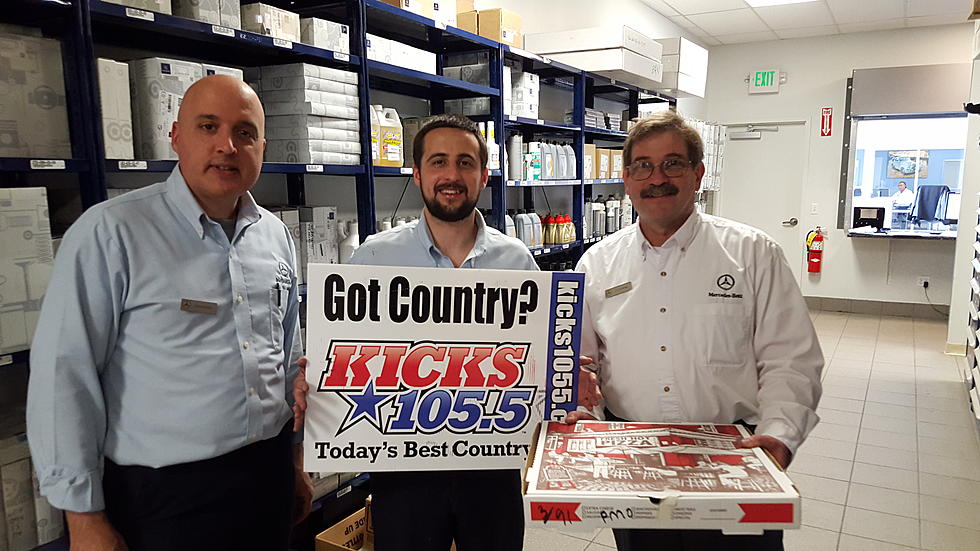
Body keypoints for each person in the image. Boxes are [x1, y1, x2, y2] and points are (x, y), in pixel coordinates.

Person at [26, 75, 312, 551]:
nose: (226, 146)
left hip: (266, 480)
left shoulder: (275, 236)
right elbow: (64, 375)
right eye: (208, 127)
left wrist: (294, 465)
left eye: (244, 133)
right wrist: (82, 519)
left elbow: (288, 356)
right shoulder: (111, 233)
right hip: (164, 498)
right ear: (176, 136)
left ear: (262, 146)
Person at [567, 111, 823, 551]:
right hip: (634, 459)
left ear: (698, 172)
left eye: (673, 163)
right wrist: (585, 419)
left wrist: (781, 436)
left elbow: (791, 360)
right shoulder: (597, 263)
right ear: (627, 179)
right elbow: (583, 363)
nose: (657, 178)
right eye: (643, 166)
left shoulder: (753, 253)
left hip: (734, 458)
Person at [295, 114, 538, 551]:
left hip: (491, 465)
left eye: (465, 163)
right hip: (405, 467)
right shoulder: (374, 258)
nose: (452, 175)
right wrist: (310, 380)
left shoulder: (517, 261)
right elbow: (337, 353)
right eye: (438, 161)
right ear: (418, 173)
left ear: (484, 175)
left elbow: (537, 355)